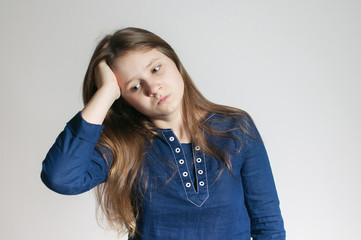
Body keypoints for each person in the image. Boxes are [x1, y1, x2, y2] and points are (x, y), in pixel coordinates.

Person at [41, 27, 285, 240]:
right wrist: (105, 92)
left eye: (156, 69)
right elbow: (61, 177)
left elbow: (269, 226)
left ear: (174, 60)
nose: (153, 88)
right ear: (123, 100)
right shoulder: (125, 147)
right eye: (134, 87)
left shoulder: (236, 128)